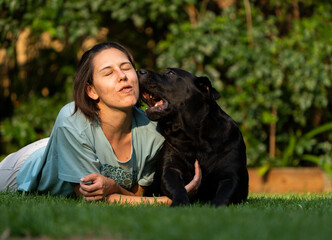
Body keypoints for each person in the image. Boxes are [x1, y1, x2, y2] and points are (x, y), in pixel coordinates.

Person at [0, 41, 201, 205]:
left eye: (126, 68)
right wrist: (168, 201)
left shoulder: (153, 131)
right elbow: (90, 198)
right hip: (25, 165)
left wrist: (113, 187)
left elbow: (135, 197)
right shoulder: (71, 119)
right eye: (108, 73)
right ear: (91, 91)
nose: (122, 76)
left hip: (73, 144)